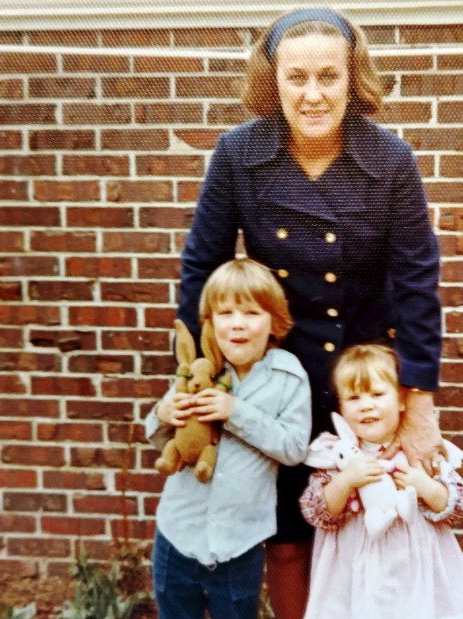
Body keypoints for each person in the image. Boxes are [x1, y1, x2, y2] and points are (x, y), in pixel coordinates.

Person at [175, 7, 446, 617]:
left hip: (365, 378)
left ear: (354, 79)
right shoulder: (239, 155)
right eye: (297, 78)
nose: (314, 94)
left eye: (329, 76)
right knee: (290, 536)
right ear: (273, 82)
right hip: (280, 382)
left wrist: (420, 401)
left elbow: (416, 283)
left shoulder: (391, 160)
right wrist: (198, 377)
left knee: (376, 522)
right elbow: (202, 267)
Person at [146, 258, 311, 619]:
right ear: (210, 322)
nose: (238, 323)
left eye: (251, 313)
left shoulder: (288, 376)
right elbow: (160, 439)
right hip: (178, 532)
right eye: (226, 313)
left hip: (240, 543)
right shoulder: (197, 369)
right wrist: (162, 416)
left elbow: (295, 449)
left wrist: (235, 412)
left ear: (274, 323)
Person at [299, 344, 463, 619]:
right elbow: (318, 511)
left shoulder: (418, 450)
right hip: (355, 573)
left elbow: (460, 506)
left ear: (401, 401)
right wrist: (347, 481)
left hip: (413, 571)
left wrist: (424, 485)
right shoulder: (339, 455)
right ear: (341, 407)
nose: (366, 405)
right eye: (354, 398)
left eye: (377, 394)